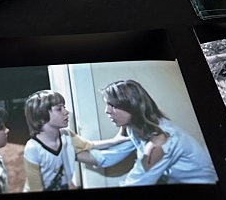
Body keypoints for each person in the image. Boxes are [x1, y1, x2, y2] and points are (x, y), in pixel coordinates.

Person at [79, 79, 217, 186]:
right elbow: (106, 158)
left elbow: (135, 183)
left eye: (113, 105)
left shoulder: (159, 140)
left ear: (131, 105)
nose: (107, 110)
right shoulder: (136, 128)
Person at [23, 90, 93, 191]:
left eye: (64, 107)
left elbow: (89, 145)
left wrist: (116, 141)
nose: (66, 112)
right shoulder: (32, 148)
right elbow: (35, 188)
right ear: (42, 116)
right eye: (59, 109)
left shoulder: (66, 135)